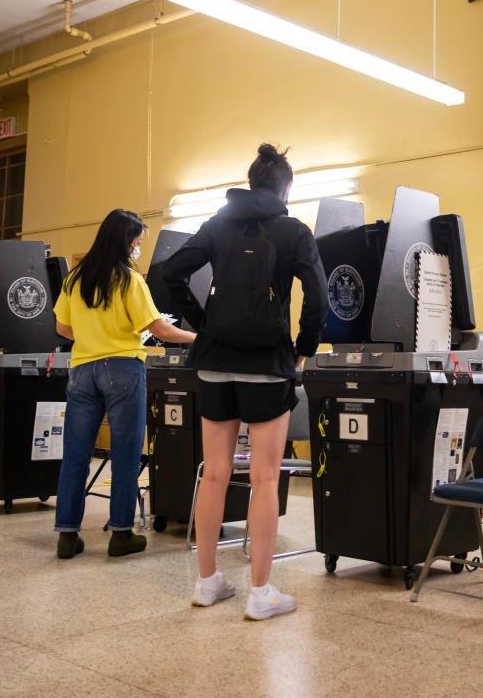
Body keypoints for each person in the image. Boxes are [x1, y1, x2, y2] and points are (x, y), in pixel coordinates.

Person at [163, 144, 326, 620]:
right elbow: (316, 295)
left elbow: (168, 274)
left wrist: (204, 323)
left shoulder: (219, 224)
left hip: (214, 361)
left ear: (250, 182)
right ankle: (260, 593)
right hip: (267, 364)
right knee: (264, 477)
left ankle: (207, 581)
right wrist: (304, 345)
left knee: (214, 474)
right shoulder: (295, 230)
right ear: (286, 188)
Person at [52, 209, 196, 559]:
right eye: (137, 241)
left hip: (82, 370)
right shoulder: (130, 280)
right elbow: (159, 328)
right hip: (123, 369)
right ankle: (120, 535)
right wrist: (200, 338)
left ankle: (67, 537)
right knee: (126, 453)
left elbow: (63, 329)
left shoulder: (75, 278)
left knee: (75, 455)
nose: (138, 248)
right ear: (124, 240)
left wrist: (92, 335)